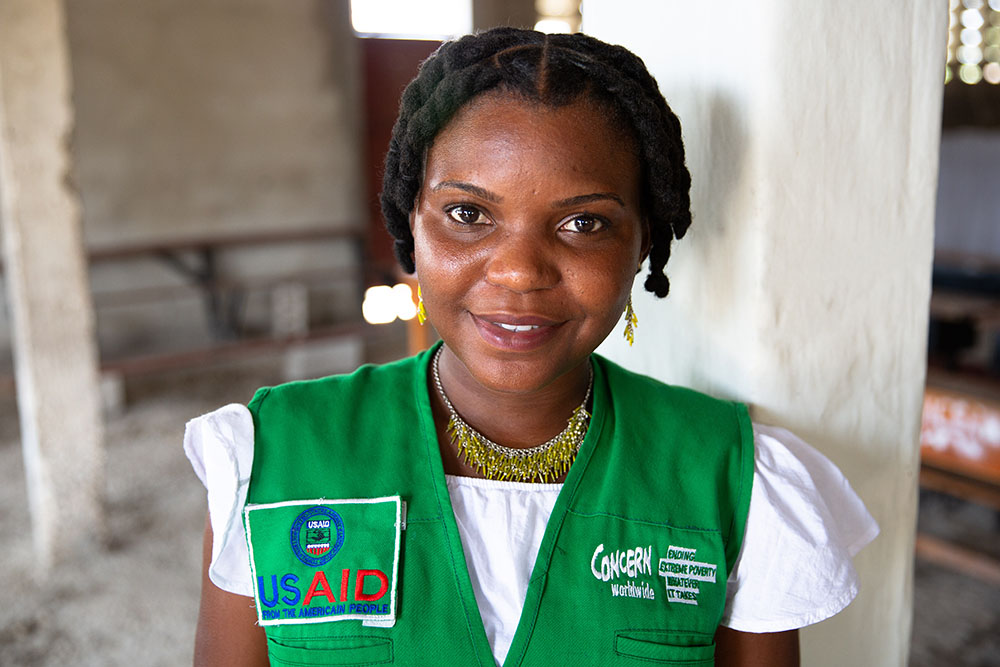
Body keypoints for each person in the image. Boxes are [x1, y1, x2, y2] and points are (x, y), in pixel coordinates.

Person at [185, 27, 878, 666]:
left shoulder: (735, 480)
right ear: (411, 224)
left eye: (583, 221)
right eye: (468, 214)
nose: (519, 270)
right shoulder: (269, 459)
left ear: (644, 243)